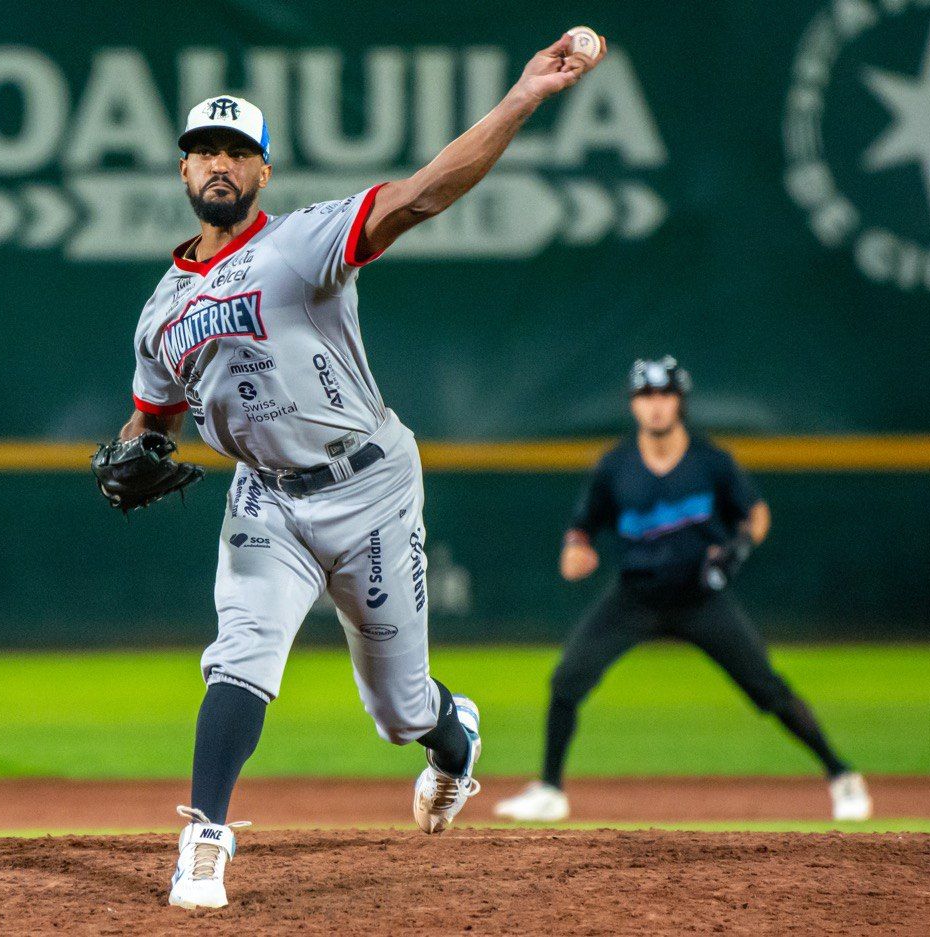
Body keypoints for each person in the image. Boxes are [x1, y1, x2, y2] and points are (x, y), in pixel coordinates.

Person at [93, 34, 607, 910]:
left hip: (370, 487)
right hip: (264, 500)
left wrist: (523, 96)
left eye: (237, 151)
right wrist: (125, 452)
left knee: (401, 712)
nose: (219, 164)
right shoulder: (160, 311)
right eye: (203, 152)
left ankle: (456, 742)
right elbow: (150, 419)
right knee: (240, 655)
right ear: (182, 171)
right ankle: (205, 838)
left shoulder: (304, 242)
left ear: (262, 170)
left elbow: (421, 195)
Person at [493, 357, 872, 824]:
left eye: (665, 394)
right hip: (635, 596)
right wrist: (576, 549)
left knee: (768, 690)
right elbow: (582, 527)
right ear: (633, 405)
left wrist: (742, 545)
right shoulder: (615, 467)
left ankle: (841, 775)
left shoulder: (710, 462)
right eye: (646, 396)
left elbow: (756, 512)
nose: (656, 406)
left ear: (681, 401)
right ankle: (550, 789)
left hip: (700, 598)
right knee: (566, 681)